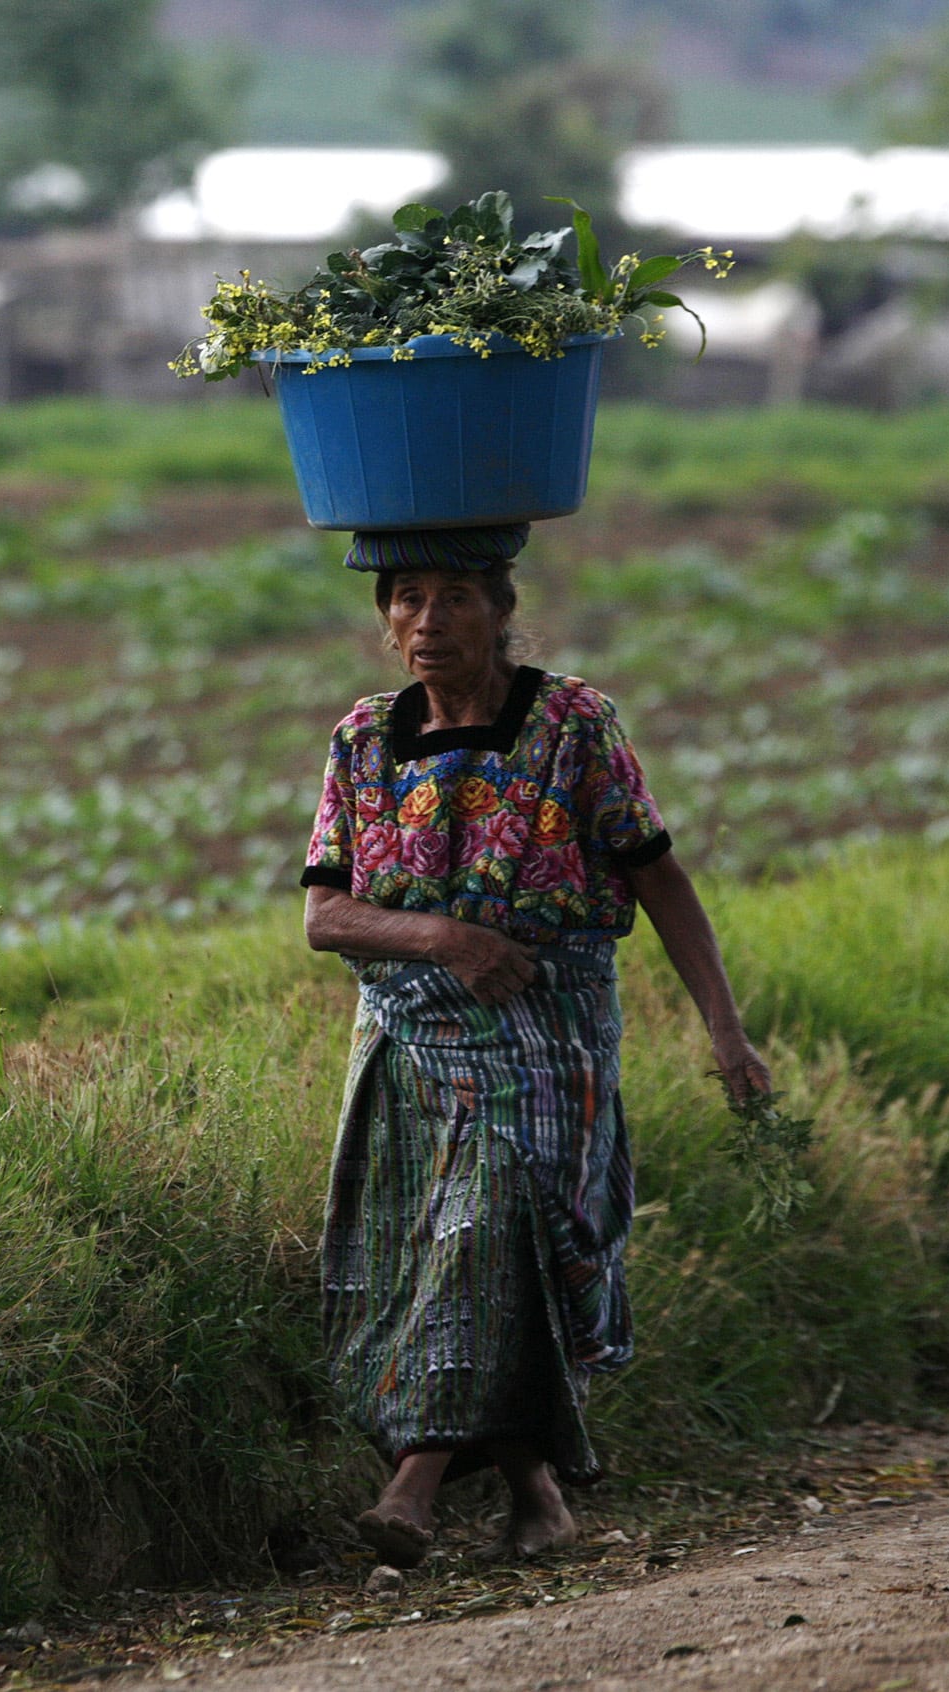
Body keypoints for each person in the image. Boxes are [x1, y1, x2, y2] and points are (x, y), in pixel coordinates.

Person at [299, 523, 770, 1568]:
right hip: (414, 1040)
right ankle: (540, 1498)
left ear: (502, 611)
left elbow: (657, 878)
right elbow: (326, 919)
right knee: (453, 1248)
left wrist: (726, 1030)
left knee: (494, 1222)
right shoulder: (362, 742)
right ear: (385, 619)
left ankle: (413, 1490)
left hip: (548, 1037)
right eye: (408, 597)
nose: (430, 620)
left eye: (457, 597)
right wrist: (446, 939)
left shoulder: (571, 725)